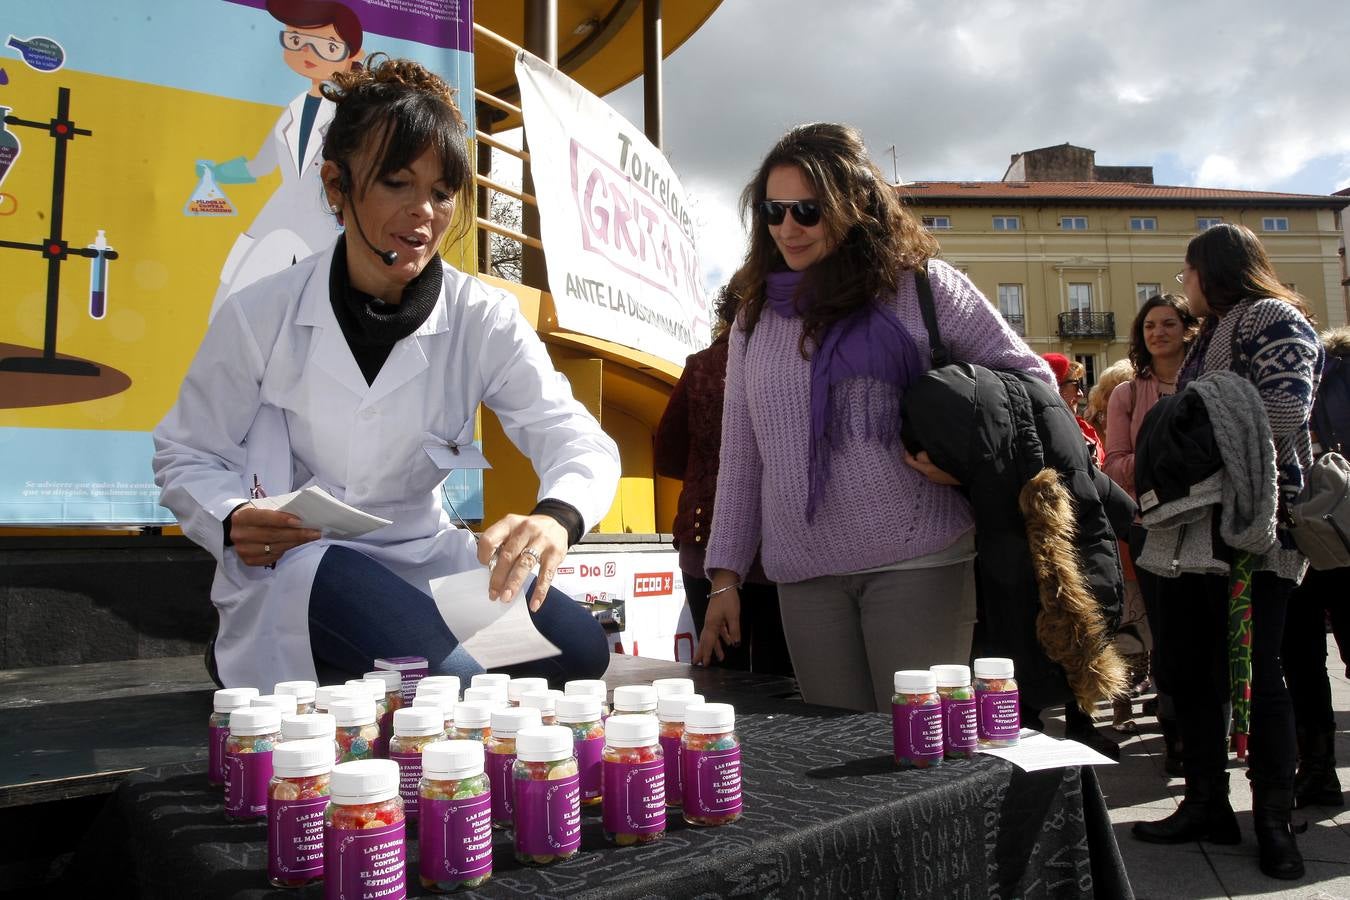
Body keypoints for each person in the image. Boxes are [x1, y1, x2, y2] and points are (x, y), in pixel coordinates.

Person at [154, 57, 619, 691]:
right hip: (310, 562)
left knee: (578, 653)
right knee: (449, 682)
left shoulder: (484, 317)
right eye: (397, 182)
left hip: (423, 560)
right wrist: (230, 518)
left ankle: (358, 663)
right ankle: (291, 653)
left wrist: (556, 516)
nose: (423, 211)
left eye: (441, 192)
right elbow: (187, 451)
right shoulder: (261, 312)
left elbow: (576, 438)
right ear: (336, 186)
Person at [694, 123, 1049, 712]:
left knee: (919, 756)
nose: (787, 227)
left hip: (920, 557)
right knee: (842, 760)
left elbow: (1032, 382)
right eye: (773, 211)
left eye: (808, 210)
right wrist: (725, 577)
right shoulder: (754, 321)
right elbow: (741, 458)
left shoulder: (925, 289)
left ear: (854, 204)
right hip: (802, 573)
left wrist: (964, 463)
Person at [1130, 224, 1322, 882]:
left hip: (1257, 523)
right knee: (1190, 671)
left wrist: (1198, 428)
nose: (1183, 286)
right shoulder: (1211, 332)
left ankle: (1273, 819)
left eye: (1187, 273)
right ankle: (1207, 802)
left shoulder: (1271, 316)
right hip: (1196, 525)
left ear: (1212, 268)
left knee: (1259, 673)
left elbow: (1283, 412)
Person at [654, 288, 793, 676]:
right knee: (779, 674)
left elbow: (666, 452)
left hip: (704, 538)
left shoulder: (701, 364)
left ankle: (713, 737)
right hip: (775, 543)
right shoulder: (790, 361)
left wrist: (706, 473)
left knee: (717, 670)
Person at [204, 0, 366, 320]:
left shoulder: (354, 115)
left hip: (327, 224)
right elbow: (260, 166)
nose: (308, 52)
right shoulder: (292, 109)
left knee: (321, 312)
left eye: (327, 46)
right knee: (232, 303)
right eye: (296, 40)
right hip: (276, 219)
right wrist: (215, 172)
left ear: (352, 57)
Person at [1104, 294, 1198, 758]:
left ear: (1188, 329)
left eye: (1167, 324)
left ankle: (1207, 732)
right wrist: (1175, 460)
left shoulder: (1206, 383)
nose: (1158, 333)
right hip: (1150, 524)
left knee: (1203, 634)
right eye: (1148, 327)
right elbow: (1115, 463)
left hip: (1208, 523)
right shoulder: (1126, 393)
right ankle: (1174, 733)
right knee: (1164, 634)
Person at [1280, 325, 1350, 809]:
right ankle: (1317, 768)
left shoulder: (1332, 370)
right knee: (1302, 656)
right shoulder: (1319, 371)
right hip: (1305, 528)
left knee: (1304, 656)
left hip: (1325, 525)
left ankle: (1319, 770)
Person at [1044, 353, 1104, 466]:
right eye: (1076, 385)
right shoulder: (1043, 434)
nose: (1081, 394)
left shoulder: (1085, 428)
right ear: (1056, 387)